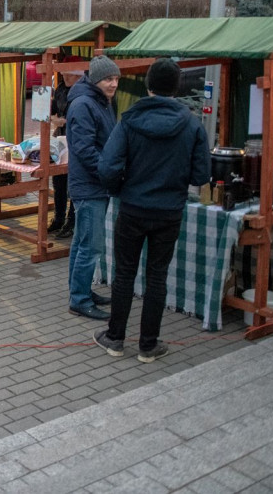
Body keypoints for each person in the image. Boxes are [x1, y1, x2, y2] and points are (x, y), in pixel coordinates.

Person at [95, 58, 210, 362]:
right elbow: (201, 176)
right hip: (168, 212)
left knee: (124, 274)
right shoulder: (192, 124)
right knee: (156, 276)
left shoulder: (129, 120)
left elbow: (107, 166)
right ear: (178, 87)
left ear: (147, 86)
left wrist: (120, 189)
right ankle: (148, 345)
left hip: (132, 208)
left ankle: (115, 338)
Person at [66, 55, 121, 320]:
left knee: (81, 242)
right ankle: (80, 299)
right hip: (90, 187)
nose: (114, 84)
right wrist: (109, 172)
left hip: (95, 184)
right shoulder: (84, 105)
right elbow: (84, 149)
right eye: (109, 79)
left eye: (116, 79)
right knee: (91, 245)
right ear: (97, 79)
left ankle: (80, 289)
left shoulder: (102, 101)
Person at [49, 56, 84, 237]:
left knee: (72, 182)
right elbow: (51, 112)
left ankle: (72, 222)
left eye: (69, 74)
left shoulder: (84, 92)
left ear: (78, 74)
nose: (65, 77)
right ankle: (58, 218)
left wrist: (67, 120)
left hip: (75, 140)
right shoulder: (61, 89)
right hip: (60, 138)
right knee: (58, 181)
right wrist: (56, 119)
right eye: (64, 73)